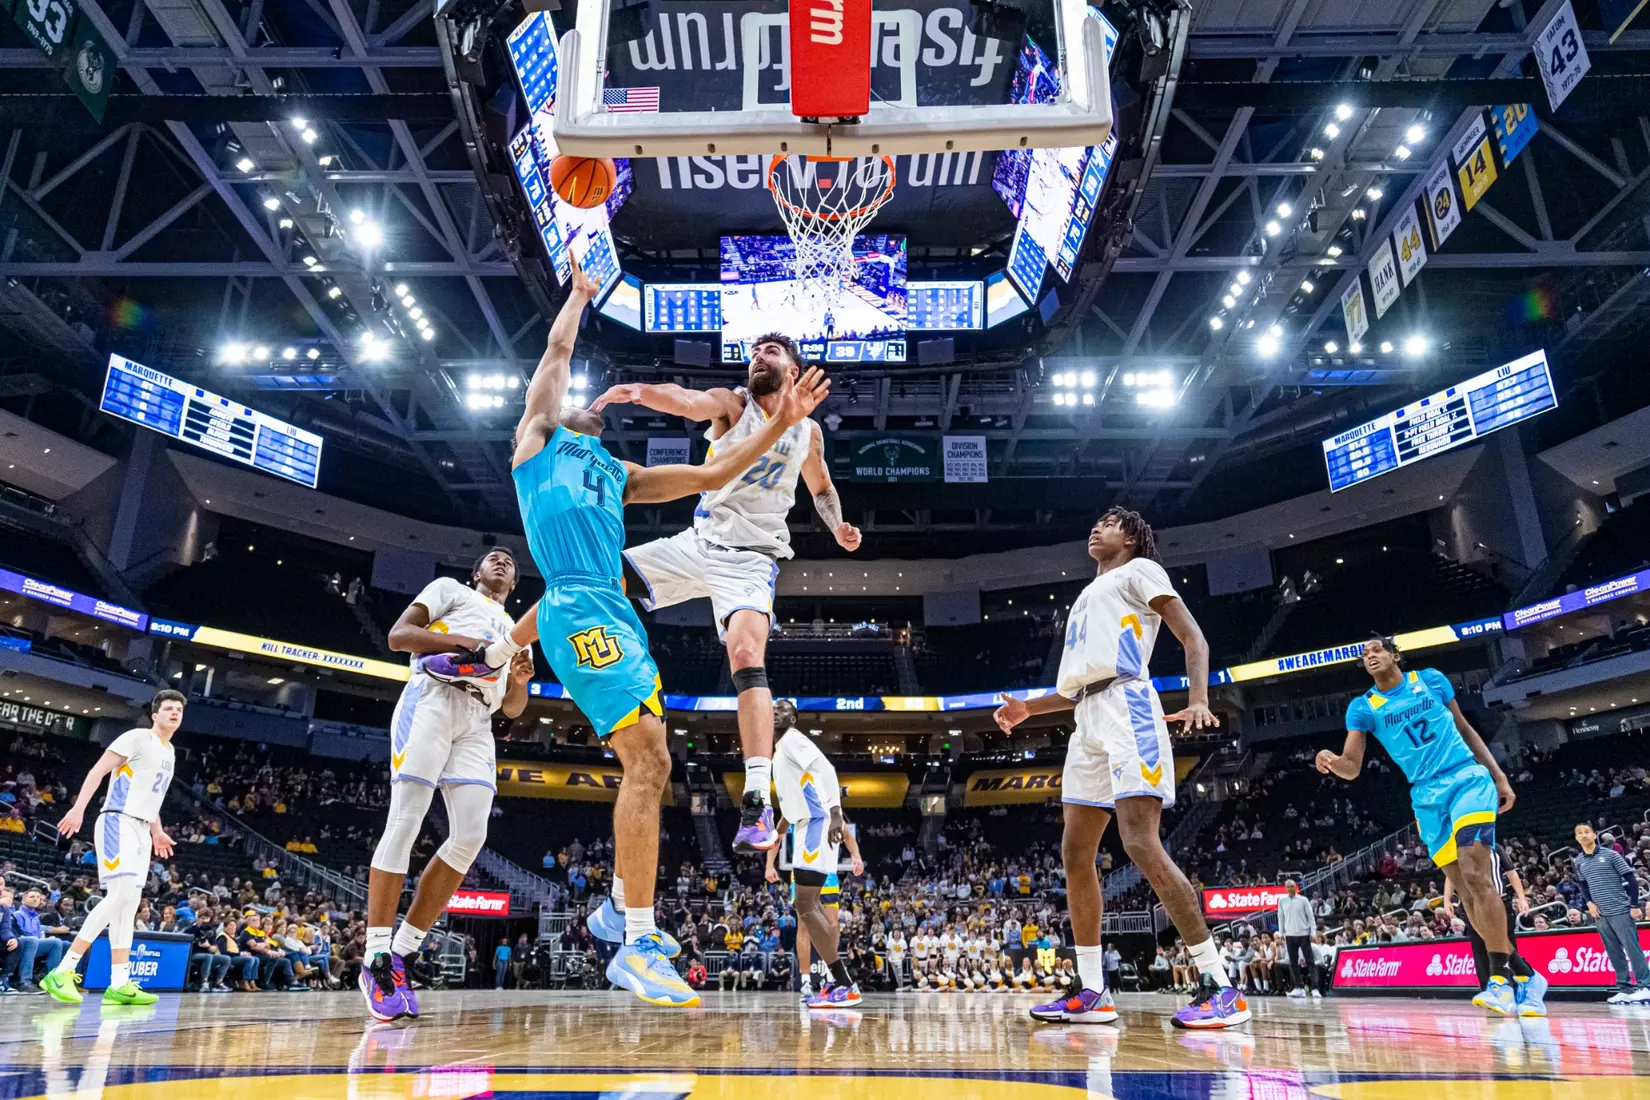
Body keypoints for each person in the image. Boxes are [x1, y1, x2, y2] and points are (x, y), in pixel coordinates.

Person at [424, 257, 832, 1008]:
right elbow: (554, 357)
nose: (596, 412)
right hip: (583, 607)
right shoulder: (538, 441)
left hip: (606, 609)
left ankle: (619, 908)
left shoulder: (621, 473)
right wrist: (578, 298)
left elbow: (714, 478)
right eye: (587, 407)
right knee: (646, 765)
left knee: (658, 761)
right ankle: (636, 940)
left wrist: (780, 425)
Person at [591, 333, 861, 853]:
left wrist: (839, 526)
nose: (758, 357)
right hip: (700, 542)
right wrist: (639, 391)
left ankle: (757, 797)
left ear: (793, 368)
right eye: (754, 351)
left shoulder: (807, 432)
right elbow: (687, 400)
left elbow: (821, 486)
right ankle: (505, 649)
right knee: (601, 579)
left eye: (771, 352)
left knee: (744, 651)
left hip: (752, 559)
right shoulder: (734, 405)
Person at [995, 508, 1244, 1028]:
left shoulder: (1141, 570)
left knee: (1138, 841)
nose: (1095, 527)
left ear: (1129, 538)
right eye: (1096, 521)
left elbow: (1193, 639)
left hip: (1129, 706)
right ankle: (1091, 990)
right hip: (1087, 717)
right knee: (1074, 851)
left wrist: (1198, 697)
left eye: (1108, 522)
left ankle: (1220, 985)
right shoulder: (1088, 594)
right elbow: (1076, 685)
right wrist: (1027, 709)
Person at [1316, 635, 1544, 1017]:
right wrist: (1330, 760)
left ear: (1394, 655)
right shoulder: (1363, 708)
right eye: (1364, 655)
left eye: (1376, 650)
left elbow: (1465, 729)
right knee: (1468, 894)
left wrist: (1498, 776)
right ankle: (1526, 974)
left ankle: (1500, 978)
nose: (1370, 657)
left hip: (1466, 778)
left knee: (1475, 871)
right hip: (1426, 797)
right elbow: (1352, 768)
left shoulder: (1431, 680)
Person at [359, 546, 533, 1023]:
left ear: (513, 584)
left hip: (479, 719)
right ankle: (375, 956)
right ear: (477, 572)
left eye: (510, 563)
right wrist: (463, 645)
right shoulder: (449, 591)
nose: (501, 563)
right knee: (406, 820)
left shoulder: (518, 630)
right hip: (432, 698)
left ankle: (403, 952)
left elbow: (514, 709)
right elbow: (399, 637)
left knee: (472, 835)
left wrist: (518, 681)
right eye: (493, 559)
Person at [42, 690, 184, 1006]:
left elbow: (152, 797)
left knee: (129, 904)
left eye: (179, 710)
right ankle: (63, 970)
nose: (175, 713)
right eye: (169, 709)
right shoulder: (136, 737)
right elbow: (97, 771)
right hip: (116, 820)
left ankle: (119, 982)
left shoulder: (170, 750)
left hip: (142, 828)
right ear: (156, 714)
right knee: (119, 896)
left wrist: (158, 831)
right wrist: (78, 808)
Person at [764, 700, 865, 1009]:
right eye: (773, 707)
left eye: (783, 708)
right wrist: (775, 836)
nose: (776, 710)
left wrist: (836, 812)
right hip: (808, 824)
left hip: (817, 824)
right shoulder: (779, 754)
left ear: (793, 718)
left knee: (806, 904)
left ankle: (845, 985)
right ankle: (839, 981)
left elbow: (826, 768)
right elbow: (790, 808)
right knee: (808, 904)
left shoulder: (792, 738)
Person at [1572, 822, 1650, 1003]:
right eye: (1579, 833)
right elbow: (1583, 886)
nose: (1583, 835)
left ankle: (1645, 986)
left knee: (1632, 948)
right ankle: (1625, 988)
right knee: (1613, 951)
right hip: (1599, 913)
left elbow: (1630, 879)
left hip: (1620, 909)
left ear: (1594, 835)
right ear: (1576, 838)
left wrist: (1634, 905)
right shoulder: (1579, 861)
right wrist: (1589, 903)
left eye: (1586, 832)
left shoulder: (1611, 855)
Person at [1442, 842, 1529, 994]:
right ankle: (1488, 989)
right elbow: (1451, 877)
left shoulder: (1495, 847)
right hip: (1472, 905)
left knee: (1506, 945)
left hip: (1499, 902)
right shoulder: (1459, 850)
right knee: (1480, 948)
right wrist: (1447, 899)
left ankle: (1515, 985)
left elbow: (1511, 873)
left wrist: (1522, 898)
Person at [1275, 880, 1320, 999]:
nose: (1290, 888)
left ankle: (1315, 988)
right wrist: (1281, 933)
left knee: (1310, 961)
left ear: (1296, 887)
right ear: (1285, 888)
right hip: (1289, 935)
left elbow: (1311, 917)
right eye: (1288, 886)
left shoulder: (1303, 900)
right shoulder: (1282, 901)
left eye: (1292, 886)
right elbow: (1281, 918)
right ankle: (1299, 987)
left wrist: (1313, 932)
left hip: (1303, 934)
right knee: (1293, 962)